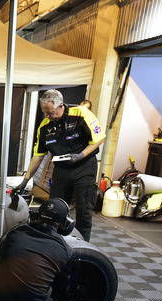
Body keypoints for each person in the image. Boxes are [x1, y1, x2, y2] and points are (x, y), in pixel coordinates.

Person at [22, 90, 106, 241]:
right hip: (61, 169)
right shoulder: (45, 126)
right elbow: (38, 155)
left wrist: (81, 155)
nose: (47, 116)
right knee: (55, 209)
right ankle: (56, 242)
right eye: (44, 112)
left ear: (60, 106)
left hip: (84, 168)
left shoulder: (81, 114)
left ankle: (82, 244)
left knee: (84, 210)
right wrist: (26, 178)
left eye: (50, 112)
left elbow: (99, 138)